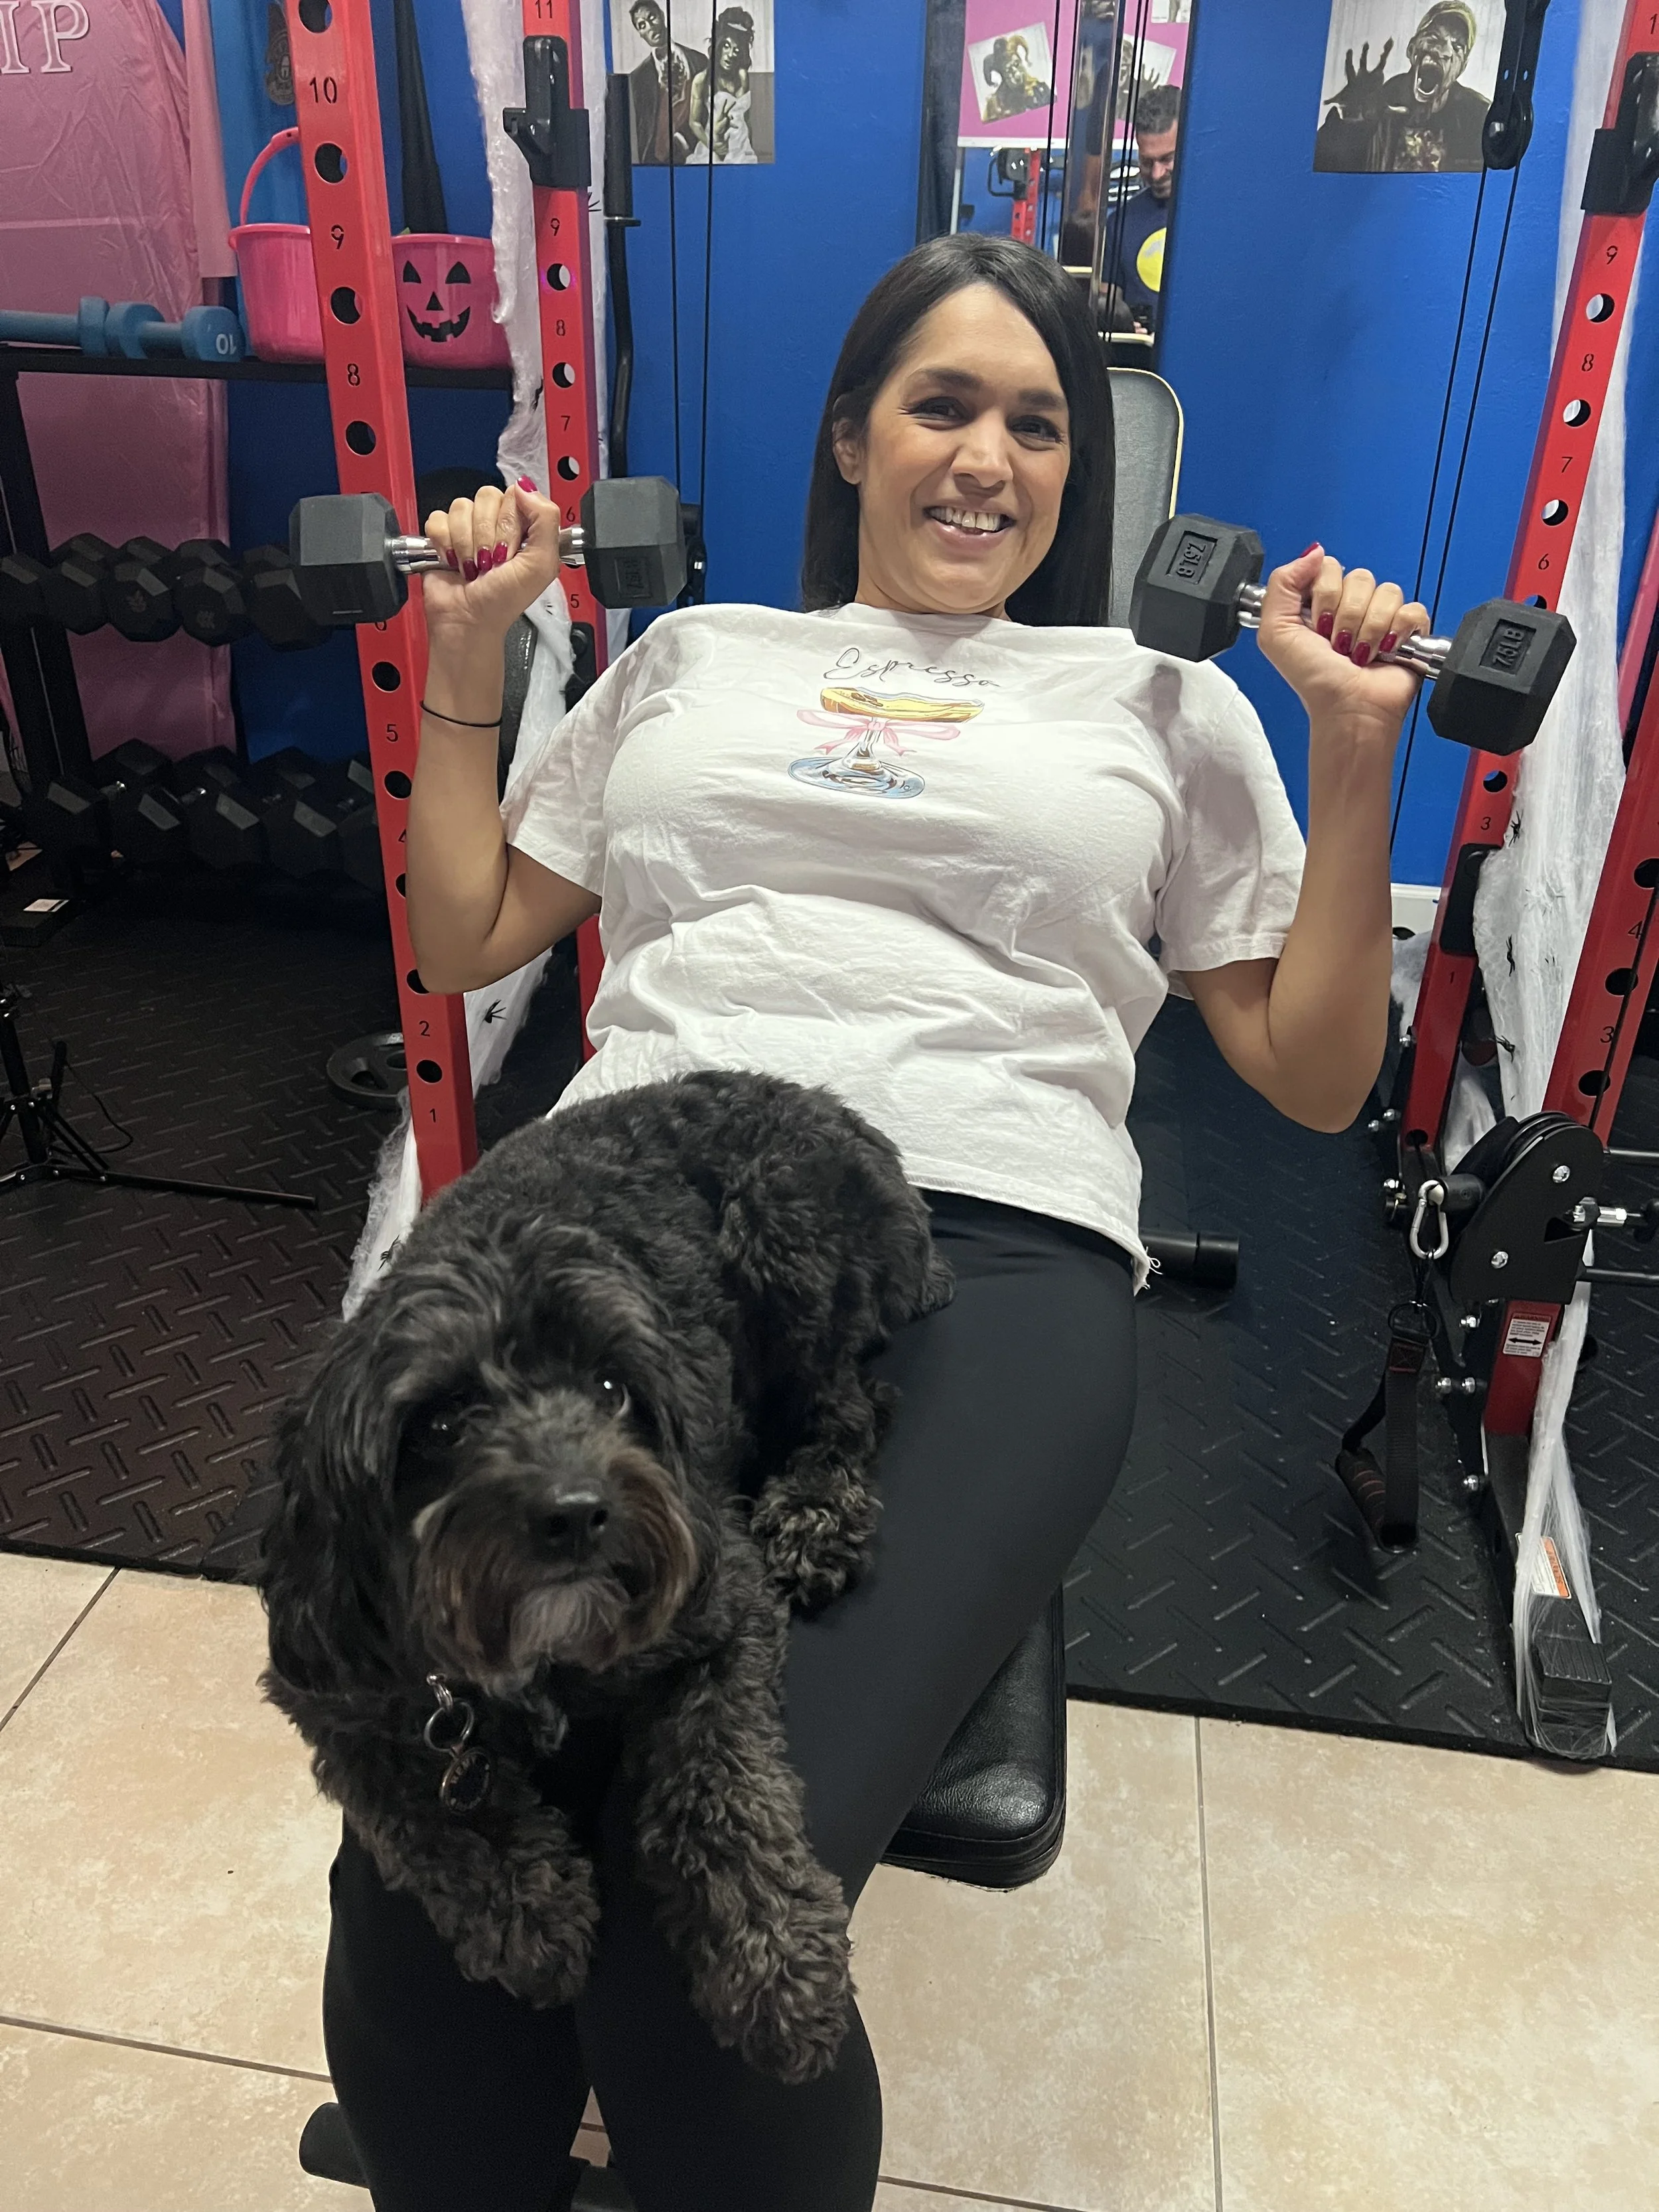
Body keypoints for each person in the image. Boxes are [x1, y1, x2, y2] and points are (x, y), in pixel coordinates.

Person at [325, 232, 1429, 2212]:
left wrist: (1353, 749)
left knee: (695, 1925)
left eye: (1037, 426)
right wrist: (474, 660)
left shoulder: (1157, 702)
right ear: (850, 434)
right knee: (421, 1898)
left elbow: (1312, 1074)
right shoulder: (691, 657)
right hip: (619, 1238)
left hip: (982, 1249)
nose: (986, 459)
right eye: (942, 404)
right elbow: (472, 930)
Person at [1314, 2, 1488, 174]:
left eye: (1458, 48)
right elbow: (1326, 163)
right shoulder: (1380, 102)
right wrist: (1351, 114)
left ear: (1462, 67)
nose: (1444, 51)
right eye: (1434, 37)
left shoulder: (1477, 116)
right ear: (1412, 48)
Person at [1070, 82, 1180, 331]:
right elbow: (1107, 306)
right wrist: (1121, 326)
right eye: (1146, 161)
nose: (1156, 173)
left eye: (1167, 159)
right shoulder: (1120, 222)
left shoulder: (1219, 220)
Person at [626, 0, 705, 167]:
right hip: (660, 159)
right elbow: (644, 128)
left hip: (699, 151)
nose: (651, 27)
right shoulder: (638, 77)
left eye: (652, 18)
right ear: (640, 33)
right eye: (642, 25)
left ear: (662, 16)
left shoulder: (699, 61)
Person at [689, 7, 757, 166]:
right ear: (718, 46)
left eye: (736, 50)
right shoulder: (701, 80)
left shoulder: (742, 77)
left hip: (741, 148)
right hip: (713, 147)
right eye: (726, 46)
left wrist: (749, 147)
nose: (731, 54)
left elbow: (746, 120)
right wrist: (713, 145)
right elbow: (694, 122)